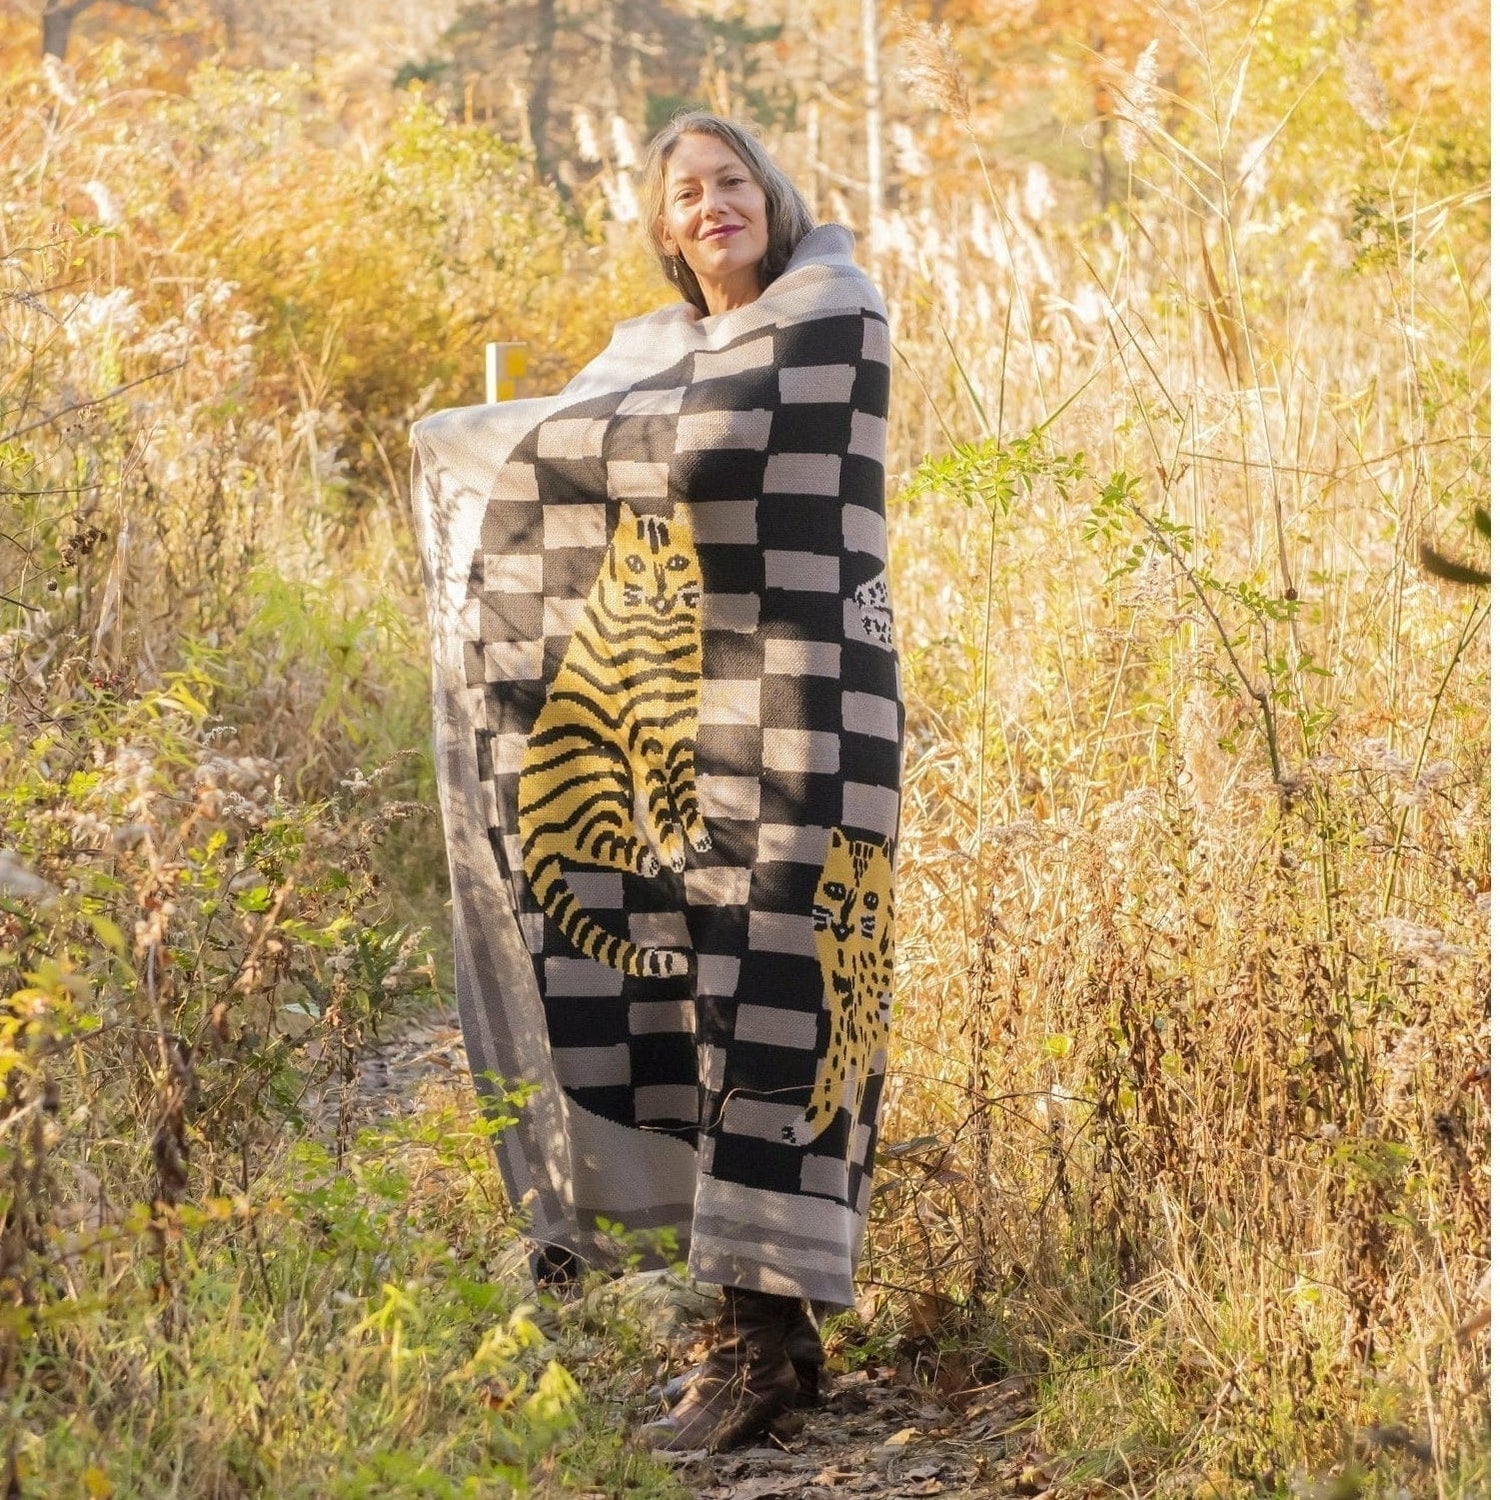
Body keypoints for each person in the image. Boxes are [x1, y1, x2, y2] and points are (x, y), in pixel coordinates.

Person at [409, 111, 902, 1453]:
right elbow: (585, 466)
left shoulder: (833, 318)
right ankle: (767, 1334)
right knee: (688, 997)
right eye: (685, 192)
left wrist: (507, 441)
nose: (711, 204)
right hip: (679, 729)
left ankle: (755, 1344)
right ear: (664, 226)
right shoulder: (652, 355)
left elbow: (707, 447)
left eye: (731, 180)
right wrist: (474, 447)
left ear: (773, 197)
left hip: (808, 707)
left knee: (787, 995)